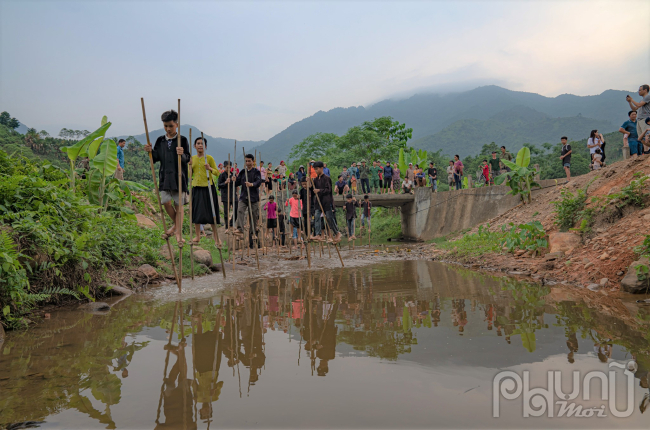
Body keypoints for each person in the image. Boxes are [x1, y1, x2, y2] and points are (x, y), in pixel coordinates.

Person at [144, 109, 189, 243]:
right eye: (165, 126)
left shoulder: (183, 140)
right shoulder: (160, 140)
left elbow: (188, 158)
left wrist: (182, 154)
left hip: (178, 177)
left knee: (178, 205)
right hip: (165, 177)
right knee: (165, 202)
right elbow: (155, 158)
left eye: (170, 126)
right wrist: (150, 152)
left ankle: (178, 233)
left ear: (177, 125)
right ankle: (176, 226)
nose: (168, 129)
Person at [190, 137, 221, 245]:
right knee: (196, 211)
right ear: (194, 146)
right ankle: (197, 236)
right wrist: (188, 168)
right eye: (198, 143)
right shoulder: (192, 159)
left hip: (208, 187)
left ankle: (217, 238)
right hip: (196, 187)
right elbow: (189, 174)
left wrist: (210, 168)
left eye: (202, 144)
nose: (200, 145)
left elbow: (217, 173)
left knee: (212, 211)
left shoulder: (209, 158)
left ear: (205, 146)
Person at [234, 154, 263, 248]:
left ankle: (253, 232)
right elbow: (237, 182)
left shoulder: (256, 172)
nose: (247, 163)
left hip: (253, 198)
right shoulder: (242, 172)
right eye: (246, 161)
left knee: (253, 217)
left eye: (249, 161)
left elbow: (259, 182)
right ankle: (240, 229)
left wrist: (251, 184)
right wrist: (234, 180)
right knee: (240, 210)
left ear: (253, 162)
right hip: (244, 196)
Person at [311, 161, 341, 243]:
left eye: (317, 169)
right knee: (316, 216)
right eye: (315, 169)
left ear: (321, 168)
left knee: (329, 218)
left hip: (326, 201)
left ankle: (337, 232)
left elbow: (328, 190)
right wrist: (309, 183)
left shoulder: (327, 178)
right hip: (318, 201)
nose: (316, 171)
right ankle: (318, 234)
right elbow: (312, 190)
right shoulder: (315, 180)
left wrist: (319, 190)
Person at [218, 160, 238, 231]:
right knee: (226, 212)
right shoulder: (221, 176)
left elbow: (237, 184)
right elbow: (219, 185)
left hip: (233, 195)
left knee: (236, 209)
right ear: (224, 167)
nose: (229, 169)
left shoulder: (233, 175)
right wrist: (225, 182)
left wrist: (235, 180)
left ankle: (231, 223)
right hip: (225, 196)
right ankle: (227, 226)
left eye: (230, 167)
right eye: (227, 167)